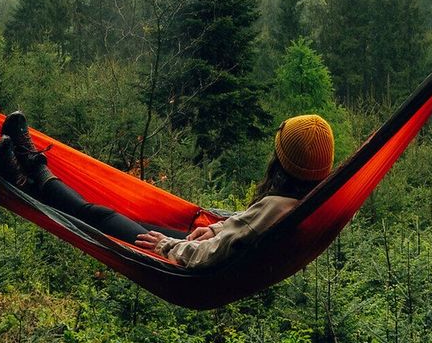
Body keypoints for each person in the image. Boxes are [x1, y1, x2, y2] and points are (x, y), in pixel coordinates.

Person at [134, 114, 335, 269]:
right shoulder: (314, 201)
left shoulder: (276, 206)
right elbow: (249, 226)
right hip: (205, 245)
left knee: (107, 216)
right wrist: (217, 229)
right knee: (136, 222)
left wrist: (165, 245)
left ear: (282, 161)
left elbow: (210, 254)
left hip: (193, 265)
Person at [0, 111, 150, 243]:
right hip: (172, 243)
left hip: (168, 256)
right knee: (131, 221)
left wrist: (168, 247)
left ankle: (36, 172)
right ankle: (30, 182)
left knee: (99, 217)